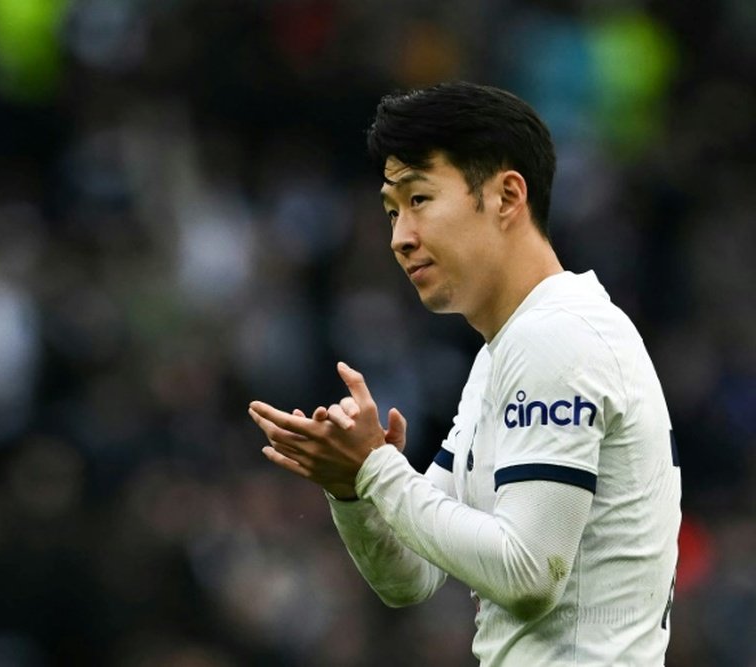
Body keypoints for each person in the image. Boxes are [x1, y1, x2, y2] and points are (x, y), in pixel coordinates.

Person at [248, 81, 681, 665]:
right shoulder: (503, 353)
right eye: (391, 211)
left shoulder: (558, 337)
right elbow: (411, 578)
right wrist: (353, 489)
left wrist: (378, 470)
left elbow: (529, 574)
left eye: (420, 199)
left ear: (506, 196)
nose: (400, 237)